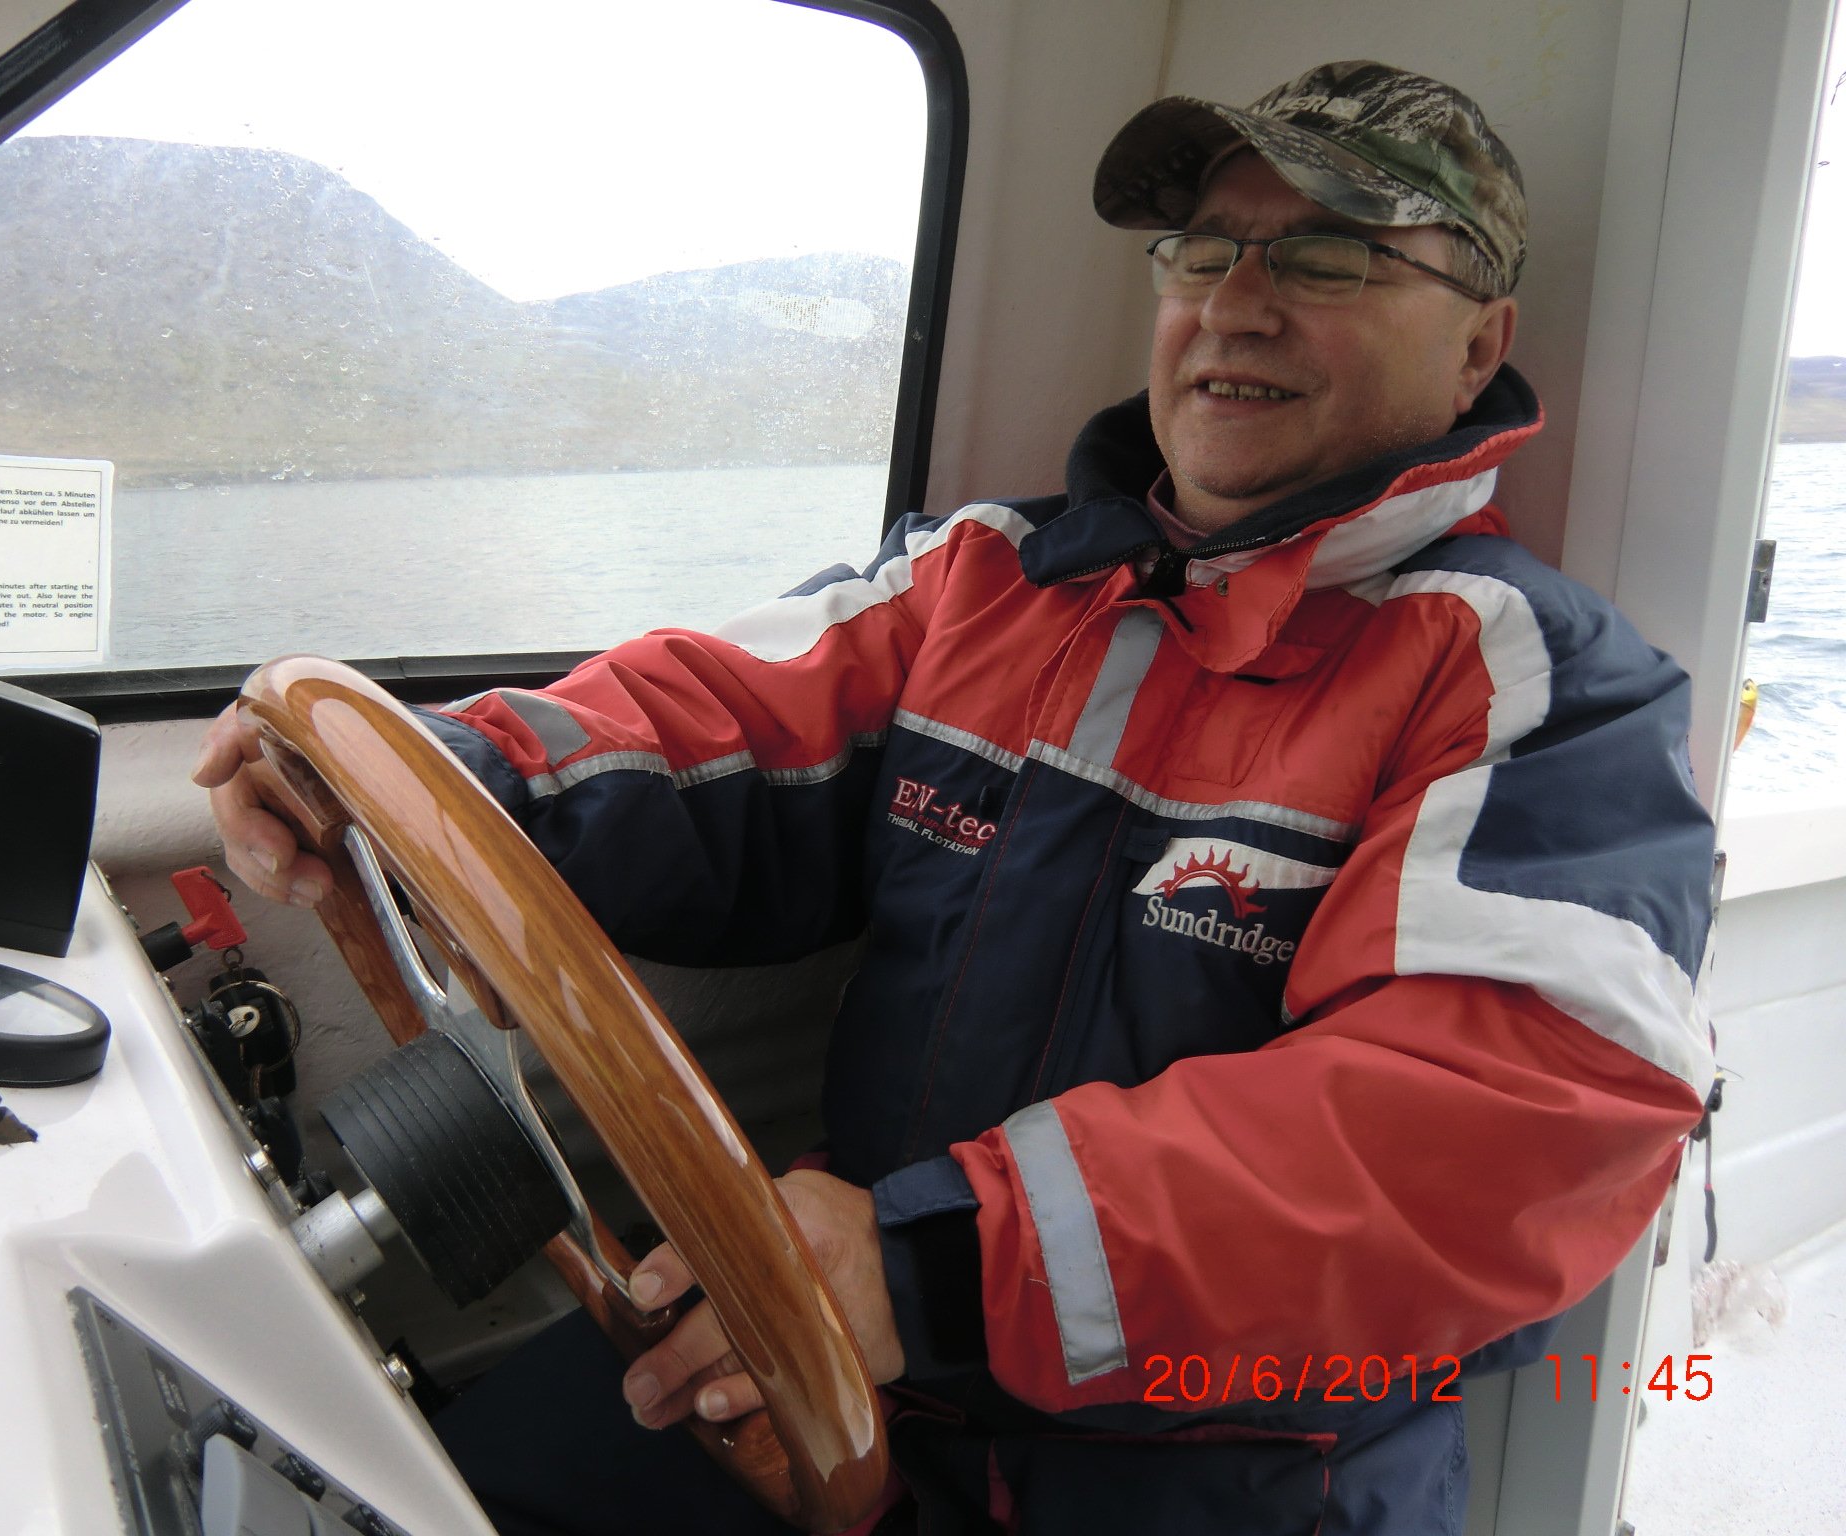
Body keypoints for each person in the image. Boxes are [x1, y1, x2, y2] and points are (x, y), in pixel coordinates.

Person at [196, 60, 1716, 1536]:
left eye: (1328, 256)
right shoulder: (987, 578)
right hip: (839, 1383)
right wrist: (442, 774)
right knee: (410, 1482)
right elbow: (722, 716)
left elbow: (1495, 1131)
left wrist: (928, 1266)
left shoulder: (1532, 684)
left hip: (1215, 1480)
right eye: (1204, 249)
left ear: (1478, 345)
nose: (1237, 302)